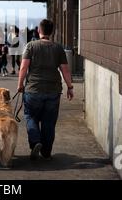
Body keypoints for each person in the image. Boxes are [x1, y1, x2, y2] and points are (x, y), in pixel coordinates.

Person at [17, 19, 74, 161]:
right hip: (53, 90)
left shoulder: (31, 46)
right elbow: (65, 70)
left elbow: (24, 67)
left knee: (31, 117)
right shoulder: (58, 48)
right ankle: (47, 152)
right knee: (49, 122)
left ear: (39, 30)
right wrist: (70, 87)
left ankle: (36, 142)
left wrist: (20, 84)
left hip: (33, 90)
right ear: (52, 31)